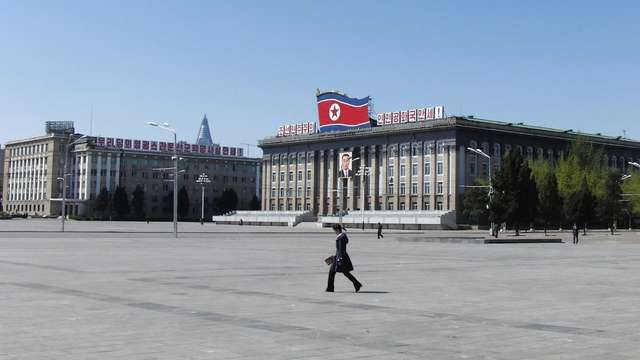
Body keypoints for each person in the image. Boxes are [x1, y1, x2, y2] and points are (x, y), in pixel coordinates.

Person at [326, 223, 362, 293]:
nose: (334, 232)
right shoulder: (341, 236)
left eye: (334, 231)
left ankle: (330, 288)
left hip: (341, 257)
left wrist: (339, 259)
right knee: (341, 272)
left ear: (337, 230)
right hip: (340, 256)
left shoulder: (341, 238)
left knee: (340, 272)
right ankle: (357, 284)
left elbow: (341, 249)